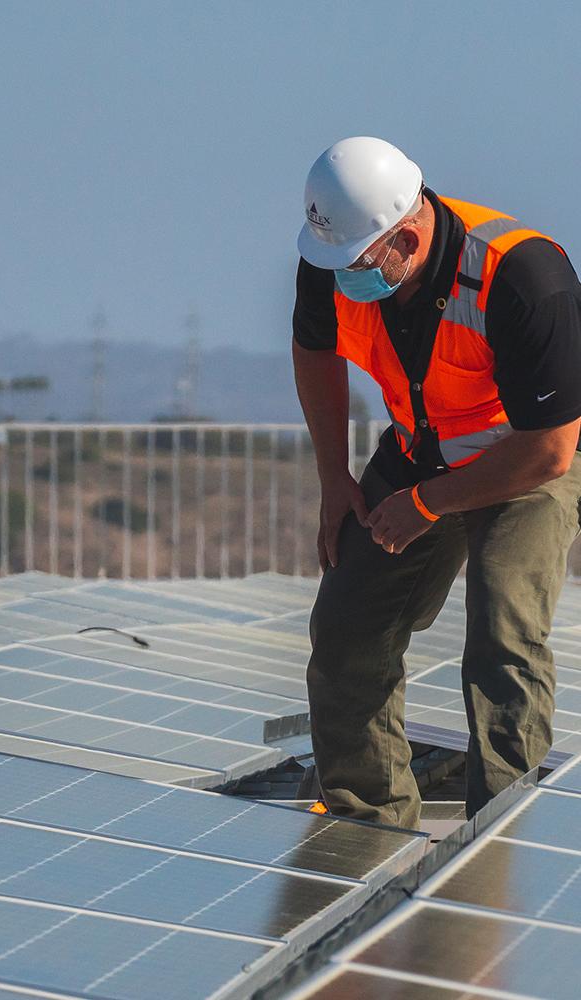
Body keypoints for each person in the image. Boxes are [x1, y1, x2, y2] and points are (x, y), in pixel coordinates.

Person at [293, 136, 581, 829]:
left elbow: (549, 451)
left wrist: (429, 503)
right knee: (346, 630)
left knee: (503, 637)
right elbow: (314, 350)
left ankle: (494, 847)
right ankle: (368, 833)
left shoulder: (523, 276)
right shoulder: (333, 258)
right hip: (420, 449)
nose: (346, 276)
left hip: (522, 463)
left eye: (362, 263)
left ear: (411, 233)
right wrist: (335, 476)